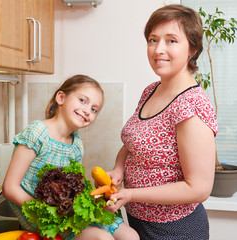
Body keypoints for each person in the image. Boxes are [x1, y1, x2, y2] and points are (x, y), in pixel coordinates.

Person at [105, 4, 218, 240]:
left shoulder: (191, 106)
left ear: (193, 49)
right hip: (138, 221)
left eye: (172, 41)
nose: (159, 49)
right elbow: (132, 144)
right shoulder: (151, 90)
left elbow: (199, 188)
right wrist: (118, 169)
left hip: (175, 229)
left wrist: (132, 194)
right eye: (153, 40)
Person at [2, 74, 139, 240]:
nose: (87, 110)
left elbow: (76, 189)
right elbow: (10, 188)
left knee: (131, 236)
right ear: (60, 98)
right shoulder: (37, 132)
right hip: (39, 214)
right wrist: (47, 209)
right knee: (102, 238)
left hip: (67, 210)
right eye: (82, 100)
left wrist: (96, 199)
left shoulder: (76, 144)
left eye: (94, 109)